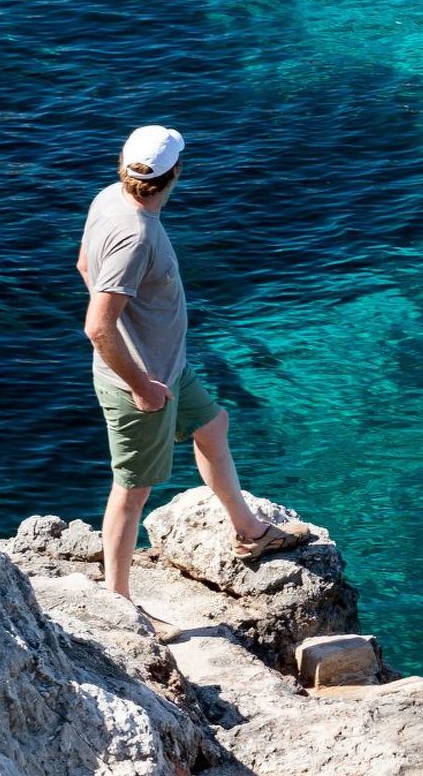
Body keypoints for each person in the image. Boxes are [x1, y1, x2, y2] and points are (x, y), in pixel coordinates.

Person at [77, 124, 307, 624]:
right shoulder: (137, 234)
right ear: (175, 173)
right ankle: (119, 605)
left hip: (168, 368)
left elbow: (83, 266)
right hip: (142, 384)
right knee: (131, 491)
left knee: (212, 425)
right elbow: (98, 326)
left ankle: (249, 530)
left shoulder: (107, 198)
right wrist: (141, 385)